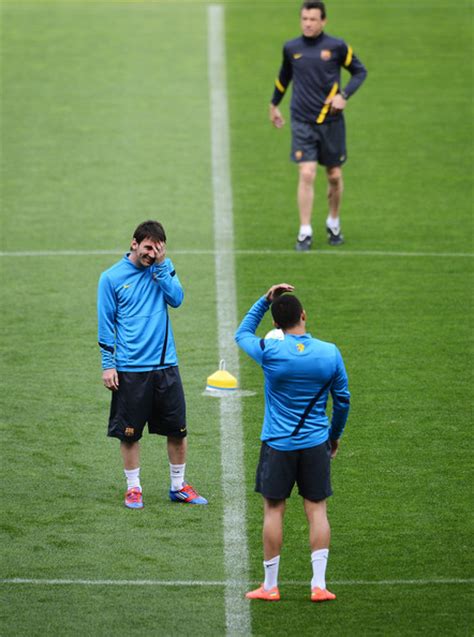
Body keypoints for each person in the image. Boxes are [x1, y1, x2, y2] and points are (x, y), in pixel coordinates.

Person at [235, 283, 350, 602]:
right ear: (304, 315)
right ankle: (319, 585)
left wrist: (264, 300)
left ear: (275, 325)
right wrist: (334, 436)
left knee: (274, 510)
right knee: (317, 511)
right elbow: (342, 401)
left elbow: (242, 333)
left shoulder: (270, 351)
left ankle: (270, 586)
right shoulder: (330, 352)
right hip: (315, 444)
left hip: (277, 444)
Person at [97, 220, 207, 509]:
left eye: (158, 249)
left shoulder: (163, 268)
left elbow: (178, 299)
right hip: (130, 369)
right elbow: (106, 325)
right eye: (148, 248)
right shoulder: (110, 278)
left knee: (177, 430)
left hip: (165, 366)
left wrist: (160, 267)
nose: (152, 254)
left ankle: (178, 485)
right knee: (130, 434)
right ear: (134, 243)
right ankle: (133, 488)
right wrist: (108, 365)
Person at [269, 1, 367, 250]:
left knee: (334, 175)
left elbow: (359, 71)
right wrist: (274, 104)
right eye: (304, 19)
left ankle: (333, 221)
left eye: (313, 19)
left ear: (323, 21)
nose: (308, 23)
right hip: (302, 120)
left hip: (331, 122)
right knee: (306, 173)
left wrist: (343, 96)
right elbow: (284, 76)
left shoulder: (336, 46)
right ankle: (305, 230)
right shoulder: (291, 48)